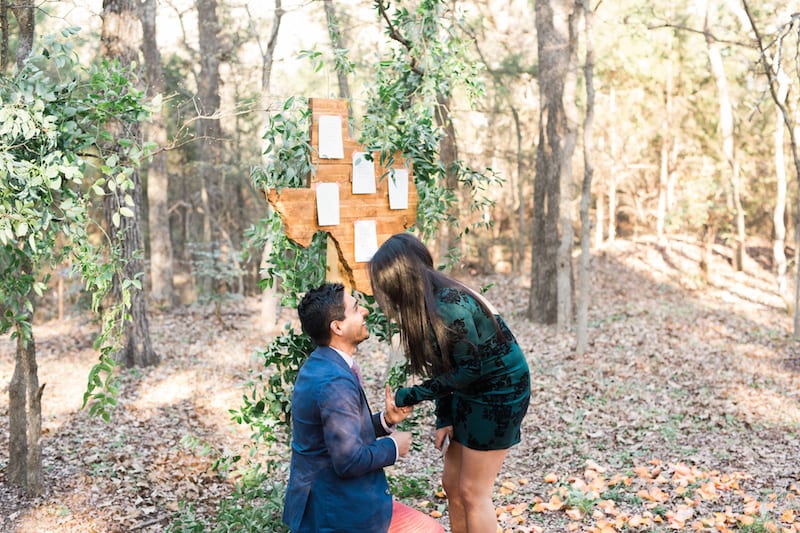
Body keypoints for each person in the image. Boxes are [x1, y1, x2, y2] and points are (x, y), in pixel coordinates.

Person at [369, 233, 531, 533]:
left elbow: (470, 369)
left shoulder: (448, 305)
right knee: (452, 485)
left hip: (499, 392)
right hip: (471, 390)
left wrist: (411, 395)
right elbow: (446, 367)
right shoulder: (428, 303)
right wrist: (445, 416)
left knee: (473, 491)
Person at [283, 282, 445, 533]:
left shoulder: (322, 364)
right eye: (356, 309)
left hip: (328, 500)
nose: (366, 312)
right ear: (337, 327)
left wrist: (385, 421)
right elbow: (348, 461)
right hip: (334, 512)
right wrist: (393, 446)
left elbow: (338, 435)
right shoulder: (333, 381)